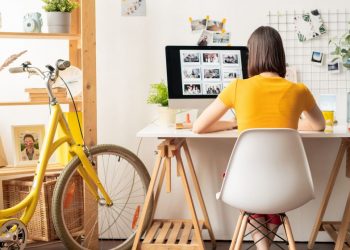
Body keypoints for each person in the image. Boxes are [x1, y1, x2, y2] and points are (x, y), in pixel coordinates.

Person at [192, 26, 325, 250]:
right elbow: (319, 125)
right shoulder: (299, 90)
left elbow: (199, 126)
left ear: (251, 55)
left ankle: (262, 248)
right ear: (280, 55)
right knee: (271, 181)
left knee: (247, 178)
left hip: (244, 185)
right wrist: (290, 124)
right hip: (289, 185)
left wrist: (236, 122)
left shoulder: (237, 87)